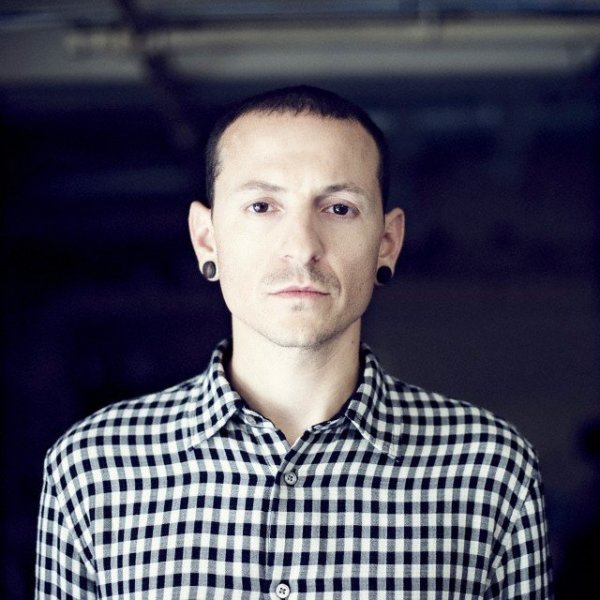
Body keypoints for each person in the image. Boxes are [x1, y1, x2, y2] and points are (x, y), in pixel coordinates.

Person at [36, 85, 553, 599]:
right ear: (206, 238)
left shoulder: (491, 468)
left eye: (340, 208)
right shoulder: (92, 469)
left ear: (387, 242)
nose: (302, 247)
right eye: (262, 206)